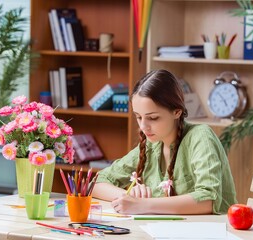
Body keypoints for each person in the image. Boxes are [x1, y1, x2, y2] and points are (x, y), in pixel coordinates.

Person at [92, 69, 237, 215]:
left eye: (153, 118)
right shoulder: (151, 144)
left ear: (177, 112)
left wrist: (143, 205)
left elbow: (208, 200)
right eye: (138, 117)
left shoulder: (200, 137)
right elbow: (97, 183)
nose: (143, 126)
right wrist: (129, 198)